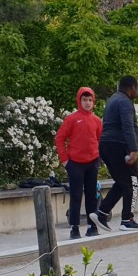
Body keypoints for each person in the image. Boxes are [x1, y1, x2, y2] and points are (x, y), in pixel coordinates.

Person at [92, 76, 138, 231]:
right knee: (134, 182)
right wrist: (133, 149)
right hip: (119, 146)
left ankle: (101, 213)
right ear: (132, 87)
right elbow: (127, 126)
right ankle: (127, 220)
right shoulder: (125, 102)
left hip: (106, 145)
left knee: (123, 182)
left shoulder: (113, 99)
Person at [55, 87, 103, 240]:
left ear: (93, 101)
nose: (87, 103)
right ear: (79, 101)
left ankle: (91, 225)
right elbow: (59, 138)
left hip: (92, 163)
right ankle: (74, 227)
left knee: (92, 195)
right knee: (76, 196)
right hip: (75, 163)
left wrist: (99, 157)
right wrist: (65, 161)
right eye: (84, 100)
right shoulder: (71, 119)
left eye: (90, 100)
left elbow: (100, 139)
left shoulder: (96, 120)